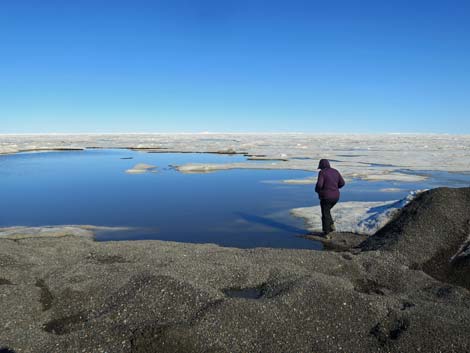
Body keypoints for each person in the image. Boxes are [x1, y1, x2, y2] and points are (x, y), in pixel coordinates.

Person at [315, 159, 345, 236]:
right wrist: (335, 188)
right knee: (327, 211)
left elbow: (319, 185)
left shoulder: (322, 173)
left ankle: (326, 232)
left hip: (326, 197)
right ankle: (332, 226)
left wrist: (318, 191)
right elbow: (342, 183)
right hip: (336, 197)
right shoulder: (335, 171)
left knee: (325, 214)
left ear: (321, 166)